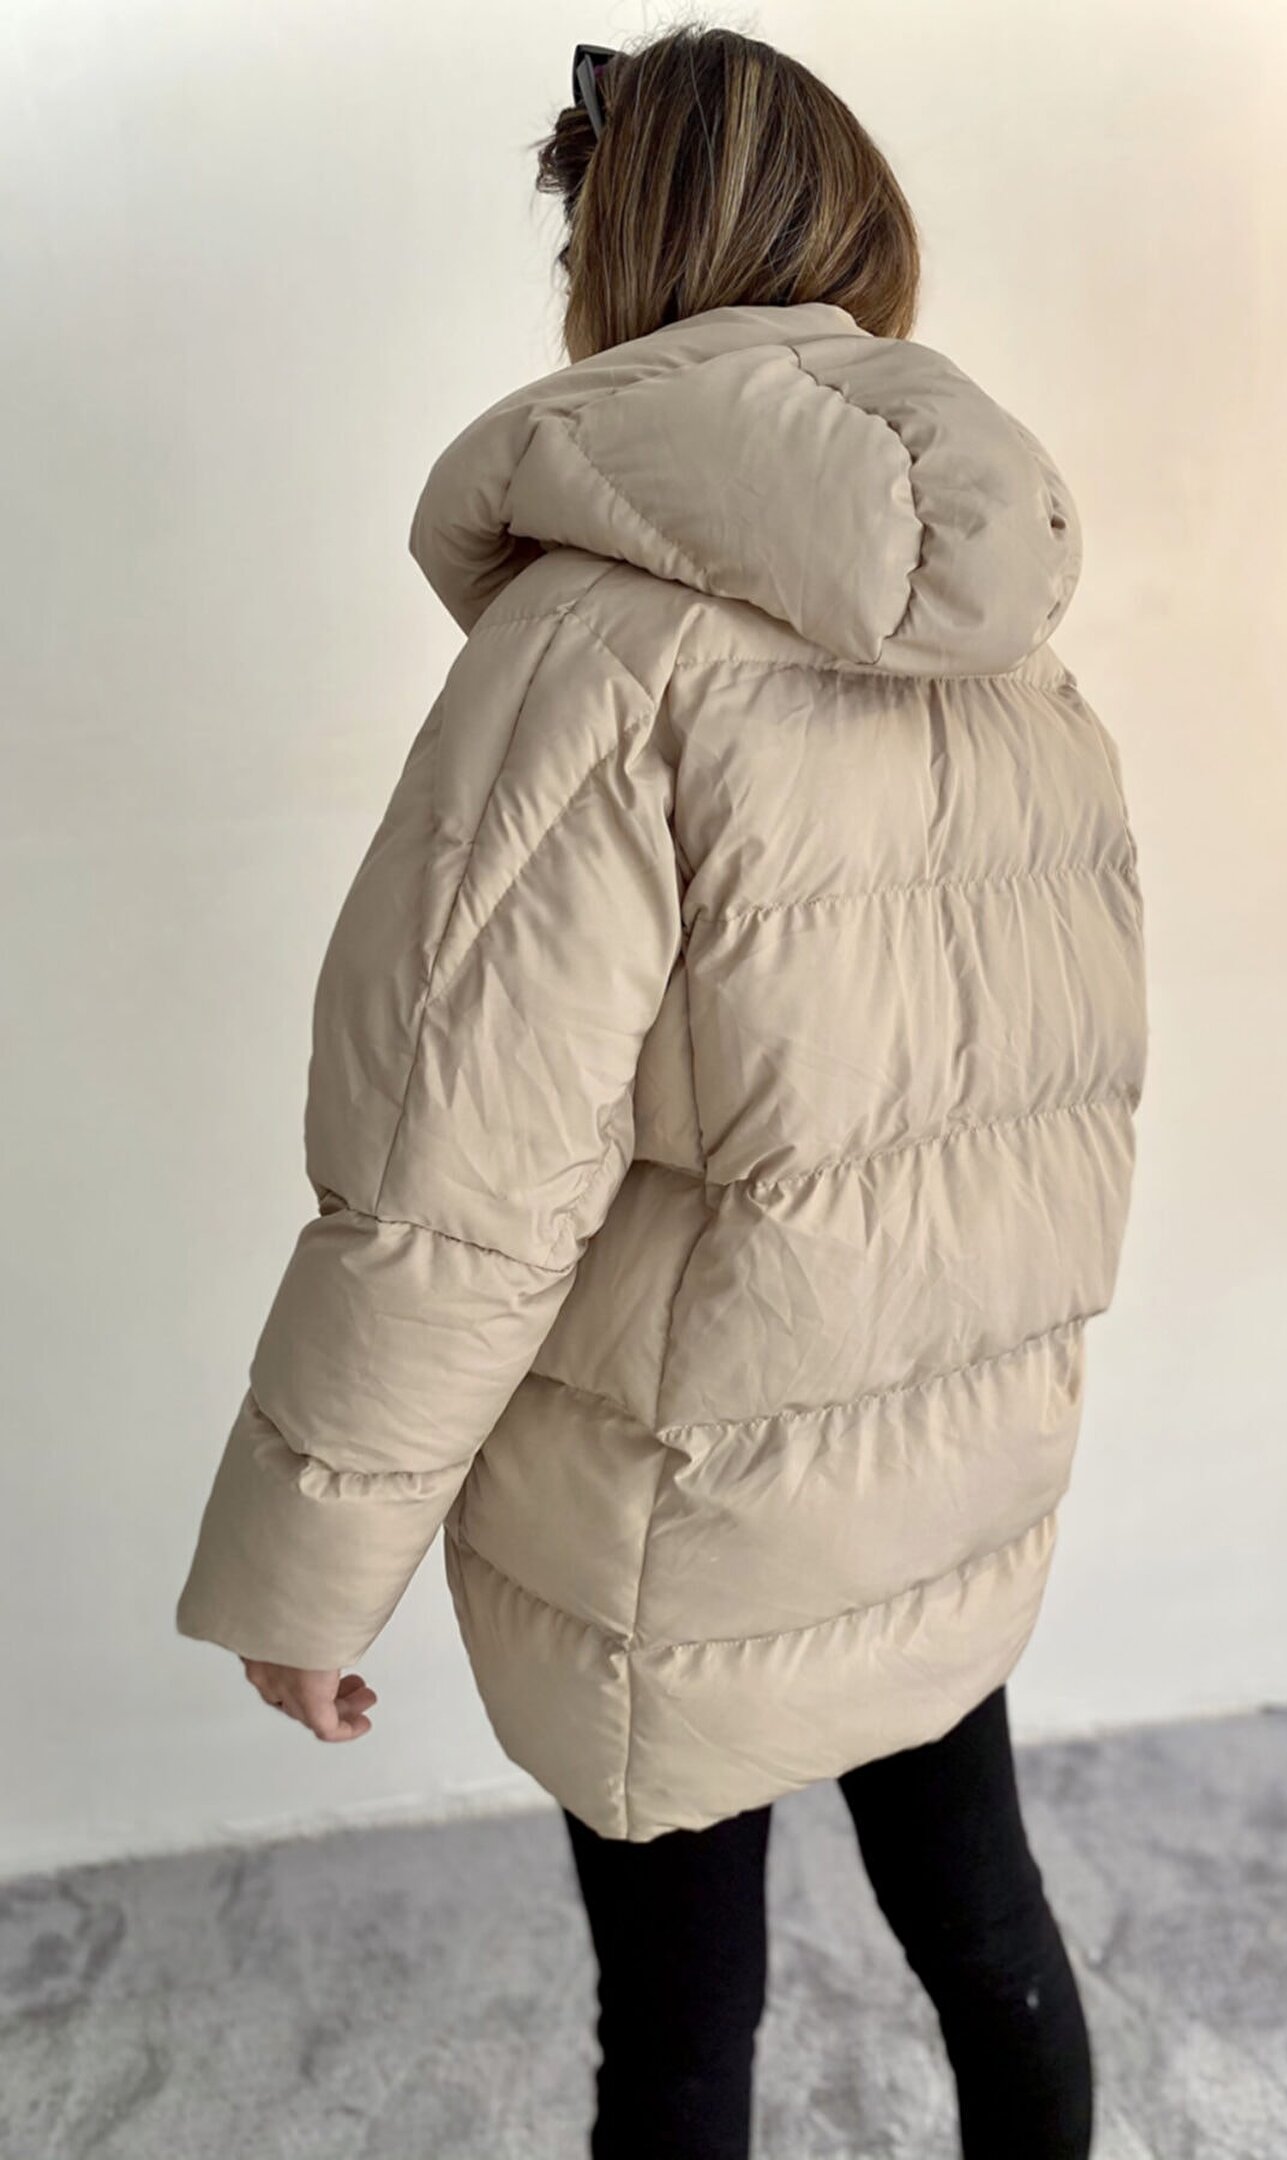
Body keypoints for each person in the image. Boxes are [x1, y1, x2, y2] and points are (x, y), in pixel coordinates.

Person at [174, 21, 1148, 2158]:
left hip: (676, 1509)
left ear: (611, 260)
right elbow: (1065, 1104)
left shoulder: (592, 655)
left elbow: (458, 1170)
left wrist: (309, 1565)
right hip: (942, 1465)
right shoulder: (1025, 663)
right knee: (986, 1922)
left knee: (684, 2034)